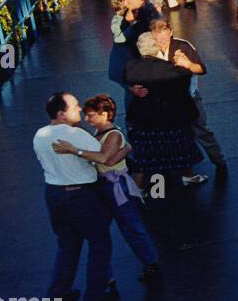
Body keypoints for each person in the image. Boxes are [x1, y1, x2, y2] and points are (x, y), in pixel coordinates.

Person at [56, 93, 161, 282]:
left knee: (129, 226)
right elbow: (112, 156)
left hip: (114, 185)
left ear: (104, 114)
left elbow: (105, 158)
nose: (87, 119)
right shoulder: (102, 133)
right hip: (105, 184)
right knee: (106, 230)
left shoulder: (112, 134)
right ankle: (123, 268)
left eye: (91, 115)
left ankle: (149, 262)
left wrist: (75, 150)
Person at [34, 92, 116, 301]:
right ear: (61, 114)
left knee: (67, 245)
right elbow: (104, 157)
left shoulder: (39, 135)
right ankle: (95, 296)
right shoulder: (76, 134)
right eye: (75, 107)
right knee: (100, 242)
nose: (79, 109)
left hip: (54, 194)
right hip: (80, 196)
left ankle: (58, 293)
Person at [124, 32, 207, 187]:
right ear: (156, 47)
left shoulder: (131, 67)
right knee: (182, 151)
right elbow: (185, 85)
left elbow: (128, 80)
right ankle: (188, 176)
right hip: (171, 120)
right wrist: (184, 64)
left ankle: (139, 189)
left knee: (144, 158)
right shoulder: (172, 70)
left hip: (144, 121)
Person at [148, 19, 226, 173]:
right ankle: (183, 169)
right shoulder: (149, 48)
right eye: (157, 38)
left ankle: (219, 161)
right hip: (165, 101)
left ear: (170, 33)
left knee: (200, 130)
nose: (161, 42)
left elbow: (201, 69)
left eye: (164, 38)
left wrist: (188, 64)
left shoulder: (183, 47)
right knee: (171, 134)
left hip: (189, 98)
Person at [108, 0, 161, 92]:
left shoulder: (143, 16)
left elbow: (119, 39)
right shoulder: (144, 10)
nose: (125, 3)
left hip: (138, 66)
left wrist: (129, 23)